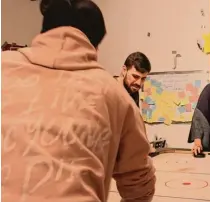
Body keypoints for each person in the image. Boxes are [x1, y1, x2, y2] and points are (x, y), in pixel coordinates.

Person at [1, 0, 156, 202]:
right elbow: (140, 186)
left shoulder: (5, 66)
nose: (139, 83)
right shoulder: (115, 95)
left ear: (43, 32)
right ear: (95, 47)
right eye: (136, 77)